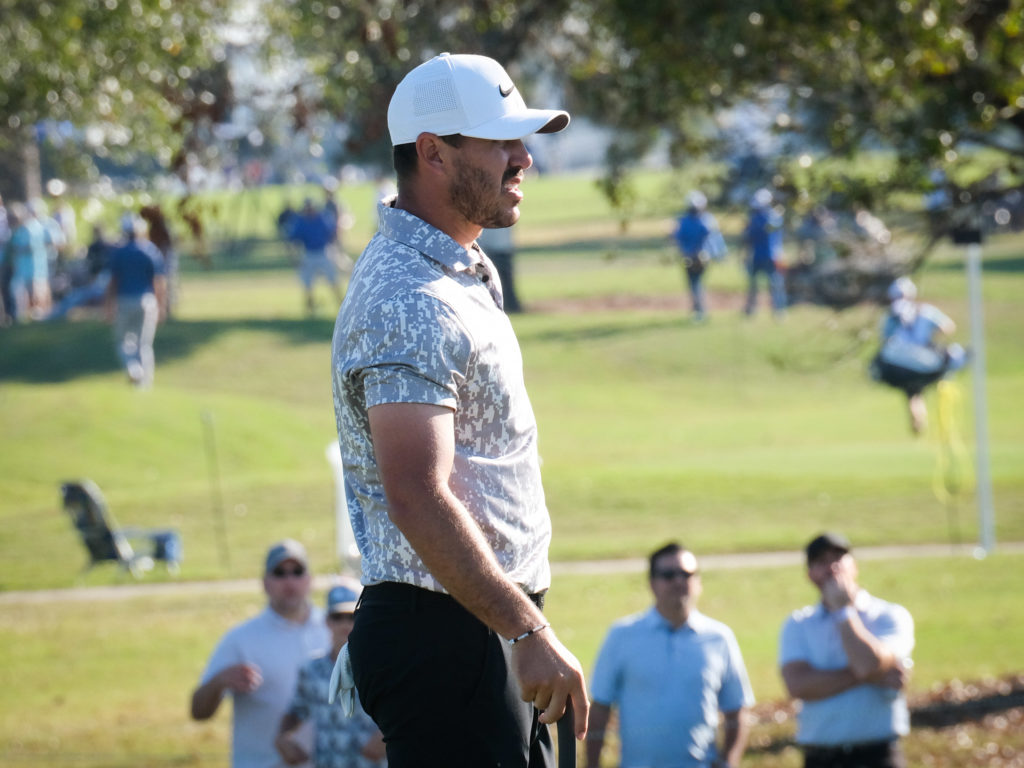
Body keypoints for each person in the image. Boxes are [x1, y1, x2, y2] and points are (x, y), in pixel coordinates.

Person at [331, 52, 587, 768]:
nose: (524, 159)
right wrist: (525, 632)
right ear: (433, 153)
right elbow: (416, 494)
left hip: (474, 624)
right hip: (447, 634)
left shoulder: (456, 269)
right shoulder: (411, 299)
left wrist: (516, 627)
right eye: (501, 142)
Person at [586, 542, 755, 768]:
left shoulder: (720, 638)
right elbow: (599, 709)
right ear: (652, 584)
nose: (678, 581)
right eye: (668, 575)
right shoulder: (622, 636)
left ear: (698, 582)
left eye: (687, 574)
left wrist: (728, 761)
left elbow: (737, 710)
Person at [779, 532, 915, 768]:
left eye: (838, 559)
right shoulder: (798, 624)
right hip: (821, 757)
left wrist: (844, 613)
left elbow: (868, 664)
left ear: (855, 565)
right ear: (810, 575)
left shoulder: (889, 615)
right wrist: (869, 675)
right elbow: (798, 685)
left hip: (878, 754)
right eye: (821, 562)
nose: (832, 568)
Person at [192, 539, 330, 768]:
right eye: (279, 573)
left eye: (297, 572)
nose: (289, 581)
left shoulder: (334, 630)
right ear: (265, 583)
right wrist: (219, 682)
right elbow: (199, 712)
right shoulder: (241, 639)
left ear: (310, 580)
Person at [276, 580, 386, 768]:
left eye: (352, 616)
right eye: (338, 616)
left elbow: (404, 711)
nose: (345, 623)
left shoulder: (382, 668)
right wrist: (283, 739)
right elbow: (296, 712)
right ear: (327, 621)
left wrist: (385, 737)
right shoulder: (311, 670)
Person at [870, 276, 967, 434]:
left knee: (913, 392)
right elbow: (948, 327)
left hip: (897, 365)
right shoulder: (925, 311)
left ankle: (918, 421)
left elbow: (884, 339)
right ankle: (928, 412)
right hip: (924, 362)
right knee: (941, 368)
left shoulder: (888, 315)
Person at [104, 215, 167, 388]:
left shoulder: (118, 252)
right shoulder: (150, 251)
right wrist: (161, 306)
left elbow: (113, 283)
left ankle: (133, 369)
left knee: (122, 342)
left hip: (124, 300)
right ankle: (145, 384)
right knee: (144, 344)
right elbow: (159, 282)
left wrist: (108, 307)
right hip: (147, 301)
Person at [673, 191, 727, 323]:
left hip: (702, 258)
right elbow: (680, 239)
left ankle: (700, 311)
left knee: (696, 284)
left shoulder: (706, 220)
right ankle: (698, 310)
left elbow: (714, 239)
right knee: (694, 284)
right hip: (690, 257)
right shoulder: (686, 221)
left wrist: (718, 254)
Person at [287, 198, 343, 314]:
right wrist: (294, 257)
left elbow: (332, 233)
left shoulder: (322, 218)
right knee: (307, 283)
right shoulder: (301, 222)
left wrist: (336, 249)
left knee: (333, 279)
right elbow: (293, 240)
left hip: (323, 252)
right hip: (309, 253)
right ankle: (310, 308)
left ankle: (341, 305)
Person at [742, 188, 786, 317]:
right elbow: (749, 237)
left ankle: (779, 310)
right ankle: (751, 309)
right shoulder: (759, 218)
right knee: (754, 285)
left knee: (775, 285)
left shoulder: (772, 217)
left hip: (771, 256)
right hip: (757, 255)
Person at [476, 225, 522, 313]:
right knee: (482, 282)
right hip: (483, 250)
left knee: (503, 279)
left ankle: (511, 305)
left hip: (498, 247)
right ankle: (508, 305)